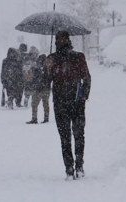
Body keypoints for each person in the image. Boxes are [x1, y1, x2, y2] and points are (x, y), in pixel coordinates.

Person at [44, 31, 91, 180]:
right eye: (58, 39)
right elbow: (46, 82)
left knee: (78, 135)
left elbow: (87, 78)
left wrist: (84, 95)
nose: (60, 41)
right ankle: (69, 168)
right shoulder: (52, 59)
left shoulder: (78, 56)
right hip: (60, 103)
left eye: (63, 39)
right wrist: (47, 68)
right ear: (56, 40)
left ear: (68, 40)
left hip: (76, 102)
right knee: (65, 137)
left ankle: (79, 166)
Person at [26, 54, 50, 124]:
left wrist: (32, 86)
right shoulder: (48, 69)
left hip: (38, 90)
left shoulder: (37, 69)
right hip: (47, 89)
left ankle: (34, 118)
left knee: (34, 104)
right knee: (46, 104)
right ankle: (46, 118)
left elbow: (33, 79)